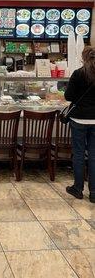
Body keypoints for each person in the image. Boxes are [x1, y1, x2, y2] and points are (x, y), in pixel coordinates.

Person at [64, 46, 95, 203]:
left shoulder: (78, 73)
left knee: (78, 154)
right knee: (94, 155)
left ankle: (78, 188)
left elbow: (68, 96)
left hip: (79, 120)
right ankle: (94, 192)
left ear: (83, 58)